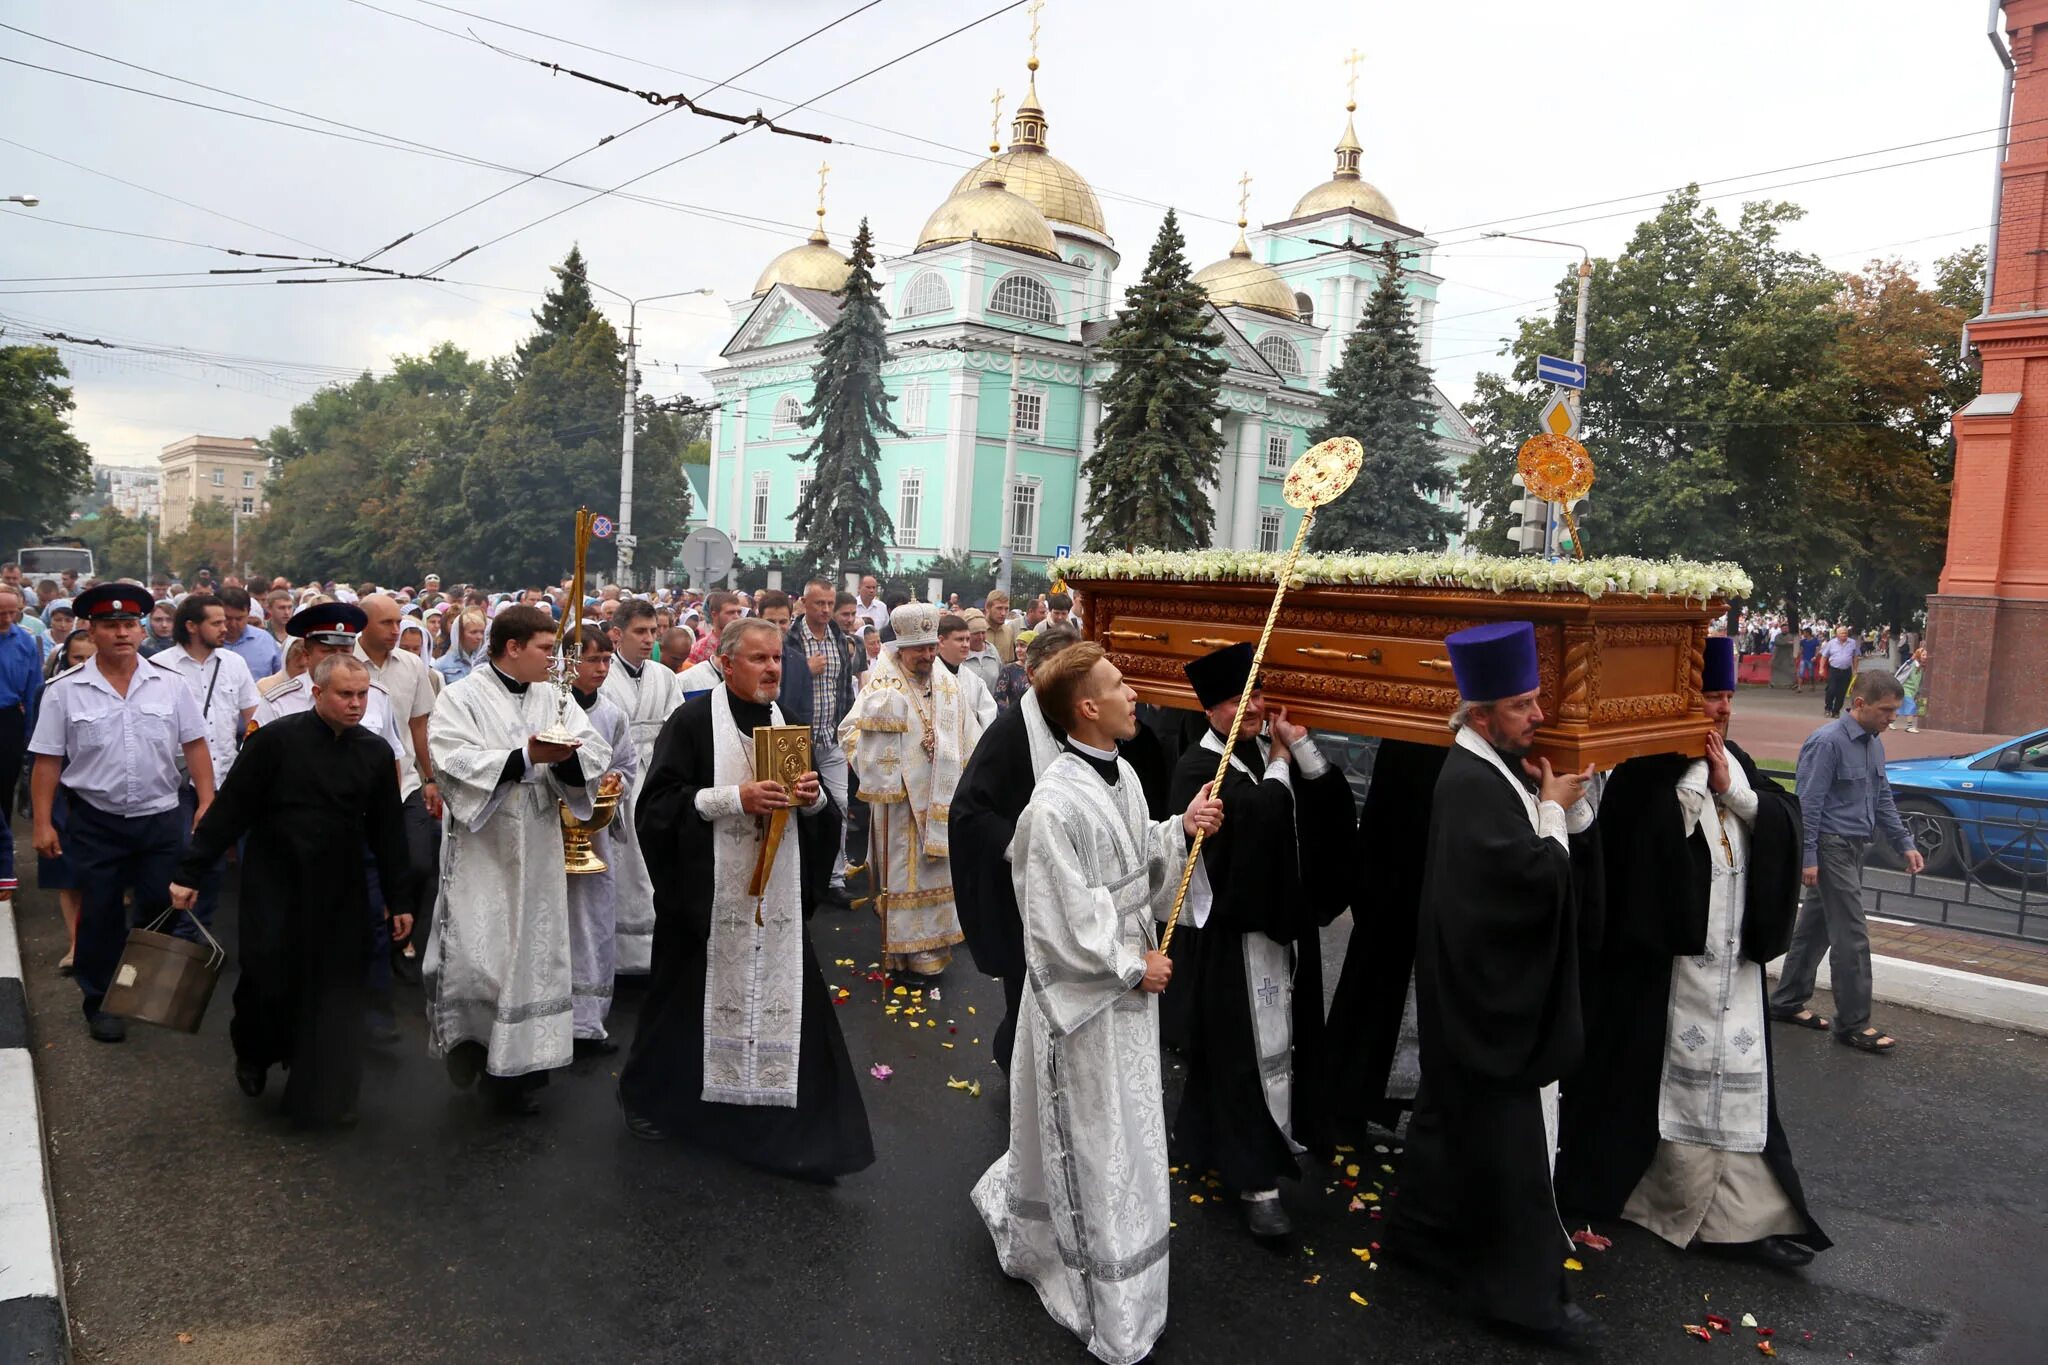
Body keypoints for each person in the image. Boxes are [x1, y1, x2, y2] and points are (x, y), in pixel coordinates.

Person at [970, 641, 1223, 1365]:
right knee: (1094, 1137)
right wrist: (1127, 963)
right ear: (1086, 707)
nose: (1132, 693)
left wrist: (1181, 829)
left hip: (1127, 995)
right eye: (1118, 685)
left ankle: (1119, 1245)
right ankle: (1097, 1284)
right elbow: (1055, 923)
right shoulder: (1051, 805)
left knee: (1128, 1131)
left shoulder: (1123, 777)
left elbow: (1134, 853)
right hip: (1083, 1009)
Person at [1557, 636, 1830, 1270]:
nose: (1722, 708)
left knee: (1738, 1097)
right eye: (1711, 695)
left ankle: (1745, 1216)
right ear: (1683, 700)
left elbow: (1782, 822)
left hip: (1733, 973)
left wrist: (1736, 791)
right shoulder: (1643, 772)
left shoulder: (1732, 758)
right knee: (1655, 1094)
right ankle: (1662, 1204)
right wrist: (1687, 793)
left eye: (1730, 695)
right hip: (1667, 976)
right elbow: (1626, 862)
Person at [1385, 621, 1603, 1347]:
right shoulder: (1475, 782)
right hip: (1486, 1006)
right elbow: (1533, 882)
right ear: (1481, 716)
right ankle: (1523, 1300)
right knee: (1508, 1157)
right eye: (1522, 706)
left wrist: (1550, 804)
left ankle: (1420, 1240)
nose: (1538, 716)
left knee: (1451, 1127)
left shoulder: (1484, 766)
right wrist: (1554, 809)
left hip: (1470, 993)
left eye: (1536, 700)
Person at [617, 618, 873, 1181]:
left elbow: (819, 810)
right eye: (758, 659)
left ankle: (778, 1120)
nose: (773, 669)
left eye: (777, 658)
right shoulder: (691, 722)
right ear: (726, 664)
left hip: (772, 903)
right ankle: (652, 1100)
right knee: (682, 1002)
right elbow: (656, 809)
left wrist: (809, 802)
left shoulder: (785, 725)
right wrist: (735, 798)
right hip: (706, 898)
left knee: (785, 1004)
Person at [170, 655, 411, 1128]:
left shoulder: (374, 752)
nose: (356, 704)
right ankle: (255, 1053)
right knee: (268, 977)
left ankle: (325, 1094)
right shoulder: (275, 742)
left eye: (362, 695)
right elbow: (231, 810)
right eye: (345, 694)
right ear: (318, 693)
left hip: (341, 886)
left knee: (338, 990)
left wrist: (398, 898)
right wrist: (191, 872)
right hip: (275, 880)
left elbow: (387, 831)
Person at [1167, 643, 1355, 1240]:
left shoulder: (1256, 752)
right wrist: (1278, 760)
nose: (1249, 708)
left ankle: (1211, 1141)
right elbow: (1261, 820)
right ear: (1209, 709)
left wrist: (1296, 746)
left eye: (1254, 695)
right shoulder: (1197, 770)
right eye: (1233, 700)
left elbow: (1326, 807)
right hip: (1231, 942)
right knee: (1241, 1058)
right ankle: (1257, 1183)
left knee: (1274, 1050)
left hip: (1280, 928)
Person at [426, 604, 610, 1115]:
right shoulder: (461, 697)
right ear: (512, 648)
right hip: (484, 846)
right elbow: (449, 759)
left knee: (535, 952)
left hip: (539, 840)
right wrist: (525, 758)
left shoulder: (555, 697)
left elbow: (593, 749)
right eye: (546, 650)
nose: (555, 661)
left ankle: (524, 1070)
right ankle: (473, 1045)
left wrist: (567, 757)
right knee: (482, 952)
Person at [28, 583, 214, 1043]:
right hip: (96, 820)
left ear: (141, 629)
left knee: (158, 905)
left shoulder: (170, 685)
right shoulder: (64, 691)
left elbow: (194, 744)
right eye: (111, 626)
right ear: (91, 630)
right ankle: (100, 1000)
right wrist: (42, 821)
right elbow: (48, 760)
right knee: (100, 912)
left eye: (130, 624)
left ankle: (139, 986)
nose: (122, 634)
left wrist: (208, 800)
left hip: (160, 815)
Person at [949, 625, 1080, 1075]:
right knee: (1028, 992)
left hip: (1071, 881)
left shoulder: (1075, 721)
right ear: (1032, 672)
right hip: (1022, 887)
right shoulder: (1010, 732)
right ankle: (1019, 1065)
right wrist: (1024, 845)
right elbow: (970, 809)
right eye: (1060, 669)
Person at [1768, 672, 1921, 1053]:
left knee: (1816, 927)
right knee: (1852, 934)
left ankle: (1786, 1001)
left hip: (1855, 847)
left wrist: (1905, 843)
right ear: (1860, 704)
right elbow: (1809, 803)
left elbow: (1882, 797)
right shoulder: (1827, 743)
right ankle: (1853, 1024)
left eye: (1895, 711)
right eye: (1886, 710)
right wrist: (1809, 858)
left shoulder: (1873, 743)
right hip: (1831, 848)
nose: (1891, 718)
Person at [840, 602, 984, 976]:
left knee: (937, 872)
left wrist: (969, 777)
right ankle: (901, 950)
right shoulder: (881, 686)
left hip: (942, 795)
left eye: (931, 647)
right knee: (903, 876)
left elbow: (969, 734)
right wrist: (883, 766)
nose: (928, 656)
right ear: (901, 647)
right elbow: (850, 733)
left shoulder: (949, 684)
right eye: (919, 649)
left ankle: (932, 946)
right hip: (900, 801)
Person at [148, 593, 261, 935]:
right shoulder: (160, 665)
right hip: (176, 782)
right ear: (192, 626)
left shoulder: (234, 664)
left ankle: (197, 935)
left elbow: (253, 717)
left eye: (226, 622)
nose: (225, 628)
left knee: (211, 863)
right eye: (217, 622)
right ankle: (168, 936)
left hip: (224, 778)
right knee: (179, 855)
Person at [564, 624, 634, 1054]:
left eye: (607, 660)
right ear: (570, 662)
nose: (602, 669)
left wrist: (616, 782)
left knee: (593, 922)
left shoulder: (611, 714)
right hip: (549, 833)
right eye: (593, 660)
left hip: (595, 835)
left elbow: (626, 763)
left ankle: (588, 1021)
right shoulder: (548, 708)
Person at [598, 599, 676, 978]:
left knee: (655, 866)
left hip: (657, 774)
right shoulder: (602, 674)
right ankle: (621, 957)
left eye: (653, 631)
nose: (649, 639)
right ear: (617, 634)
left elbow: (675, 725)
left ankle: (651, 953)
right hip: (619, 779)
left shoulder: (664, 675)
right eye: (640, 632)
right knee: (625, 867)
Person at [786, 579, 860, 906]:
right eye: (819, 604)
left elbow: (844, 689)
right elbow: (780, 682)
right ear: (804, 603)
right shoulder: (790, 638)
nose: (826, 610)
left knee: (840, 804)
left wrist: (844, 731)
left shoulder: (840, 640)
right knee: (797, 810)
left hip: (830, 738)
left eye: (830, 604)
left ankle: (835, 877)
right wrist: (805, 669)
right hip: (797, 739)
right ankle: (800, 877)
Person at [29, 634, 96, 966]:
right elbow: (40, 755)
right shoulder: (52, 691)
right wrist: (41, 819)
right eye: (75, 658)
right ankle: (76, 944)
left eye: (89, 657)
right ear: (63, 659)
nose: (82, 665)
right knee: (68, 874)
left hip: (106, 796)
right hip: (64, 793)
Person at [0, 584, 43, 903]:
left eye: (11, 613)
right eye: (0, 613)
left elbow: (33, 687)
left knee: (4, 790)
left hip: (9, 720)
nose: (6, 619)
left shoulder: (25, 640)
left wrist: (32, 735)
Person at [219, 586, 284, 680]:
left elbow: (281, 677)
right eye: (227, 618)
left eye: (239, 618)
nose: (233, 624)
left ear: (248, 612)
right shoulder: (206, 641)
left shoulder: (265, 640)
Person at [436, 608, 487, 685]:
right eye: (473, 632)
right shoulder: (441, 665)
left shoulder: (485, 663)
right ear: (459, 634)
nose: (479, 637)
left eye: (482, 632)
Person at [957, 610, 1003, 696]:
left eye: (983, 632)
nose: (981, 637)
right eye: (976, 633)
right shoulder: (960, 653)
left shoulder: (992, 650)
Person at [1818, 625, 1859, 718]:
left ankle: (1836, 711)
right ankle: (1828, 708)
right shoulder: (1831, 643)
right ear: (1837, 634)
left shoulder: (1852, 643)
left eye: (1845, 633)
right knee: (1831, 690)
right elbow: (1824, 657)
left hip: (1846, 671)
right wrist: (1821, 668)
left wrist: (1855, 670)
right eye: (1842, 633)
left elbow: (1855, 657)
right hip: (1834, 670)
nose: (1844, 635)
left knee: (1841, 692)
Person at [982, 590, 1018, 666]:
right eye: (999, 608)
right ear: (987, 607)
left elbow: (1010, 662)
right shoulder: (977, 631)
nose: (1003, 613)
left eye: (1006, 609)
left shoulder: (1009, 631)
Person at [1896, 646, 1928, 733]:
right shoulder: (1911, 664)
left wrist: (1918, 692)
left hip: (1913, 690)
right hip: (1905, 689)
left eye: (1926, 655)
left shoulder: (1921, 667)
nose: (1925, 656)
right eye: (1923, 655)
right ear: (1918, 655)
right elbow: (1901, 671)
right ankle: (1909, 726)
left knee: (1901, 707)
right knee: (1911, 706)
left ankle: (1891, 721)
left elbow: (1919, 681)